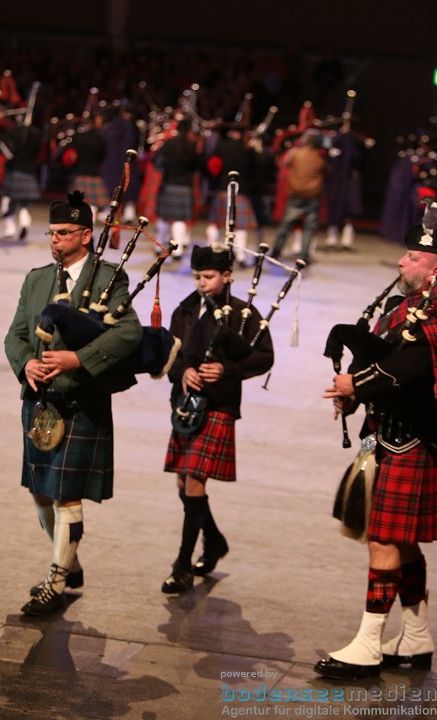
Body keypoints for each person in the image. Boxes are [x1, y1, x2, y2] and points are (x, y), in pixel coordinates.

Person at [319, 224, 437, 679]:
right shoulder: (404, 308)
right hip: (386, 435)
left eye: (413, 258)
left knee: (382, 539)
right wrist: (357, 394)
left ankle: (368, 645)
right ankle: (417, 636)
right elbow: (385, 359)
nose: (402, 262)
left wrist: (356, 383)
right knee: (401, 541)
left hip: (414, 440)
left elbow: (415, 367)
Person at [3, 192, 142, 616]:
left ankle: (58, 580)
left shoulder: (108, 279)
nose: (55, 240)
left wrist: (76, 359)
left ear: (86, 235)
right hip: (40, 402)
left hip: (81, 400)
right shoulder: (37, 279)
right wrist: (26, 364)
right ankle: (70, 561)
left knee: (65, 495)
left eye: (64, 233)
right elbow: (15, 336)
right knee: (41, 493)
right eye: (52, 232)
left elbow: (129, 333)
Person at [161, 245, 273, 593]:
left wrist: (227, 369)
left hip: (219, 406)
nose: (201, 283)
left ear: (226, 276)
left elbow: (264, 357)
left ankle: (181, 564)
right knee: (183, 485)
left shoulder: (243, 314)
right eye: (197, 277)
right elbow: (170, 355)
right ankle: (215, 540)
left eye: (208, 277)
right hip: (186, 405)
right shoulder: (185, 310)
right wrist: (184, 373)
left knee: (194, 482)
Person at [270, 130, 327, 264]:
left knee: (285, 226)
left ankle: (275, 252)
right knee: (309, 228)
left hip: (296, 194)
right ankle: (304, 256)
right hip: (313, 195)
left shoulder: (294, 154)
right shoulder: (320, 157)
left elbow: (284, 165)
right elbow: (327, 171)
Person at [204, 129, 259, 266]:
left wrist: (215, 180)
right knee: (240, 227)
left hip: (223, 189)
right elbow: (255, 168)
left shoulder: (221, 146)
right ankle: (240, 257)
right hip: (242, 190)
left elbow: (213, 166)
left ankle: (211, 252)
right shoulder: (248, 148)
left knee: (215, 224)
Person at [156, 117, 203, 260]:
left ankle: (159, 247)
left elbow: (156, 160)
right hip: (185, 185)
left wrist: (165, 170)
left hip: (169, 183)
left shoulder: (169, 144)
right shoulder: (192, 146)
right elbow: (197, 165)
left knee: (164, 217)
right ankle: (178, 249)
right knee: (180, 219)